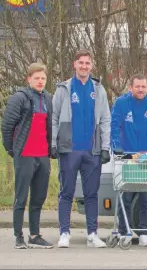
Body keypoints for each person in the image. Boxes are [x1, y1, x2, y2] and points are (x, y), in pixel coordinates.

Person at [52, 49, 111, 248]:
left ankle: (93, 234)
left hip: (91, 150)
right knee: (66, 191)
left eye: (87, 63)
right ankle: (64, 233)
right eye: (81, 63)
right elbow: (54, 118)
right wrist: (53, 143)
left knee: (91, 193)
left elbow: (105, 120)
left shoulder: (98, 89)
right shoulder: (64, 88)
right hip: (69, 149)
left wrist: (105, 147)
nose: (84, 66)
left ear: (91, 66)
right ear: (74, 65)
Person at [0, 63, 55, 249]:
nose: (40, 81)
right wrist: (12, 150)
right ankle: (18, 236)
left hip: (42, 155)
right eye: (36, 78)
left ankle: (35, 235)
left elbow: (50, 127)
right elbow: (7, 126)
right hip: (24, 154)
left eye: (43, 78)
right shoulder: (19, 98)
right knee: (21, 197)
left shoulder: (48, 98)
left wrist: (51, 150)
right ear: (28, 79)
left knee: (38, 198)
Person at [110, 73, 147, 247]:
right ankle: (122, 231)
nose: (141, 89)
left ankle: (144, 232)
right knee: (125, 196)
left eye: (143, 87)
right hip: (127, 156)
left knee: (146, 196)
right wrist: (116, 146)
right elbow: (114, 125)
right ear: (131, 88)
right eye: (137, 87)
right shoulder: (121, 103)